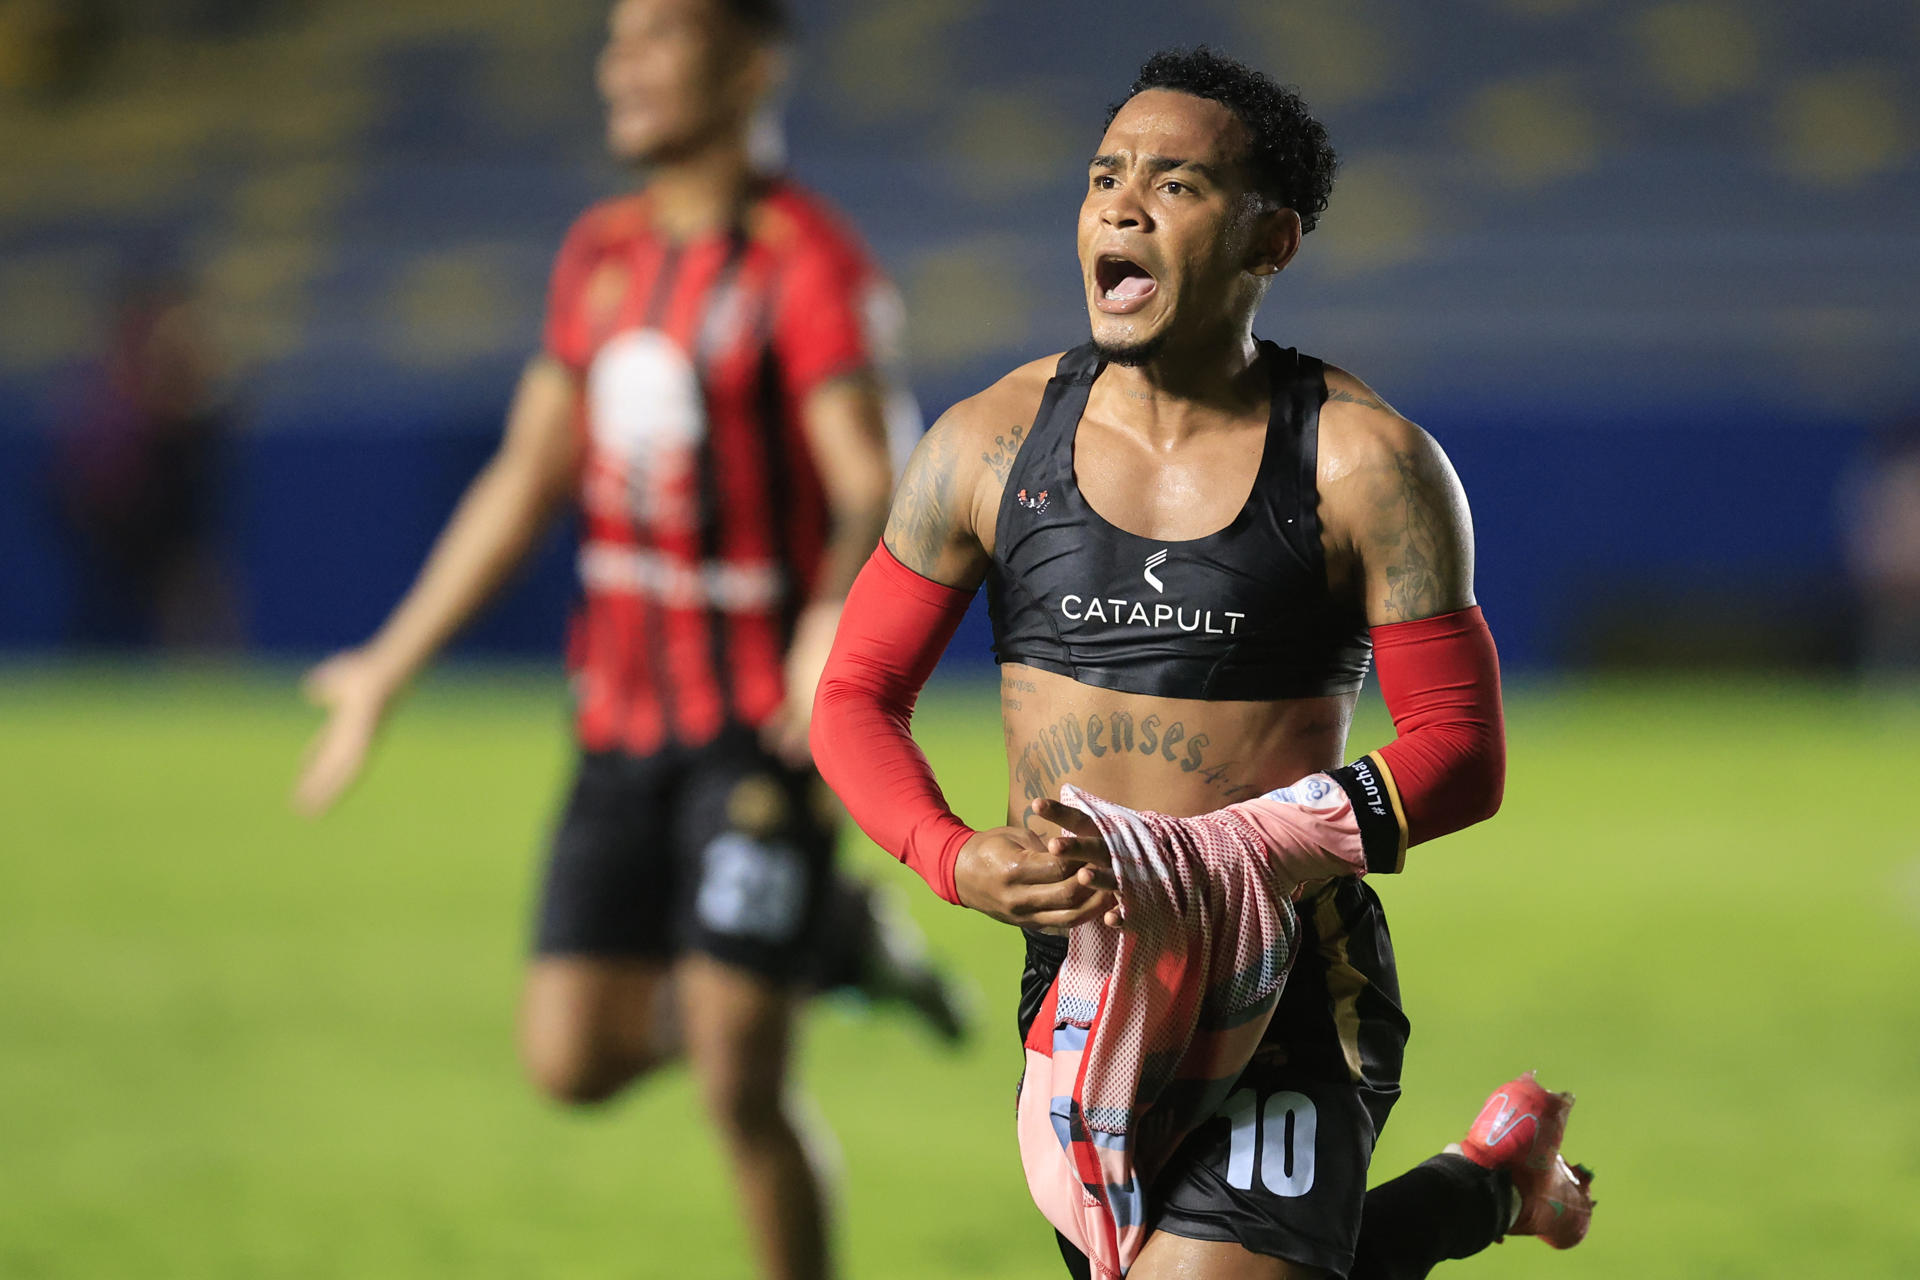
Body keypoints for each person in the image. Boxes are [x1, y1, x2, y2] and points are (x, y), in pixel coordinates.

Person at [811, 48, 1593, 1280]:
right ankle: (1488, 1185)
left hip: (1283, 964)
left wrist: (1235, 851)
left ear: (1268, 239)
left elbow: (1462, 749)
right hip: (1086, 965)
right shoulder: (987, 444)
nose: (1120, 207)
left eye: (1173, 185)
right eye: (1104, 178)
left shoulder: (1366, 463)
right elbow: (855, 696)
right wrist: (954, 857)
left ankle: (1481, 1187)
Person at [292, 2, 965, 1277]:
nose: (622, 64)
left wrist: (832, 619)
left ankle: (780, 978)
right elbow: (525, 475)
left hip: (760, 723)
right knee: (570, 1057)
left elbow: (874, 477)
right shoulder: (599, 255)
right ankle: (828, 944)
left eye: (659, 35)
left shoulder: (805, 261)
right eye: (616, 39)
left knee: (737, 1077)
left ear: (751, 61)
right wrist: (389, 664)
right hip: (616, 723)